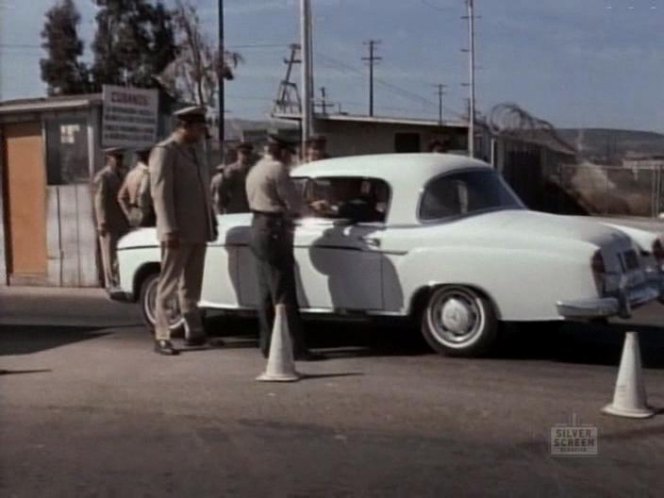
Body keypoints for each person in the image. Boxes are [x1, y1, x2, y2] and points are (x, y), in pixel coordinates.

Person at [245, 134, 321, 361]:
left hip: (258, 226)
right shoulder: (278, 169)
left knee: (266, 292)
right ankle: (295, 347)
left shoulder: (256, 168)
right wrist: (315, 209)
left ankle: (268, 345)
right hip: (275, 228)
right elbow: (294, 203)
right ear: (285, 152)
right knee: (284, 291)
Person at [149, 106, 217, 356]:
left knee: (192, 285)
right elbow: (160, 193)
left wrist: (211, 222)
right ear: (185, 126)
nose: (202, 133)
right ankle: (163, 335)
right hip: (177, 231)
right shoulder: (166, 151)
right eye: (199, 128)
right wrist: (168, 229)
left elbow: (203, 191)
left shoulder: (196, 151)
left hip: (198, 229)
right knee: (168, 285)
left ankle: (194, 331)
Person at [94, 147, 129, 291]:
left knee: (119, 253)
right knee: (109, 253)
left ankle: (118, 279)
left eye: (121, 158)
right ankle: (110, 282)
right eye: (116, 158)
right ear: (109, 159)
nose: (120, 161)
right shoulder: (104, 176)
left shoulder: (122, 174)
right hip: (109, 222)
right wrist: (101, 221)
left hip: (121, 221)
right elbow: (99, 200)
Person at [211, 141, 254, 214]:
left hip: (251, 208)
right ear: (238, 154)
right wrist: (225, 204)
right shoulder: (231, 170)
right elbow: (221, 191)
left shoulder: (254, 170)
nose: (246, 156)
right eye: (243, 153)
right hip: (235, 209)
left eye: (248, 153)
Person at [117, 148, 154, 228]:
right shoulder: (147, 173)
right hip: (148, 214)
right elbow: (143, 193)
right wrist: (144, 211)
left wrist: (128, 213)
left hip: (134, 212)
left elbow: (121, 196)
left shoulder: (131, 173)